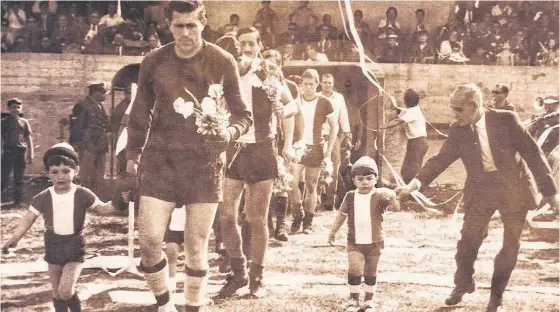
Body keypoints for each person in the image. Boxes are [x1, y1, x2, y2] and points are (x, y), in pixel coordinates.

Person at [124, 1, 252, 311]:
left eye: (191, 25)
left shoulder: (221, 60)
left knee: (196, 247)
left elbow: (243, 115)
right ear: (168, 25)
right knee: (149, 242)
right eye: (179, 26)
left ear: (203, 23)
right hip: (160, 162)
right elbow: (139, 112)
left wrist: (229, 134)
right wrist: (131, 156)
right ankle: (165, 304)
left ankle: (193, 307)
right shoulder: (154, 61)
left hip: (203, 164)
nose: (185, 33)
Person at [396, 83, 559, 312]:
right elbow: (441, 159)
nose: (454, 114)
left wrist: (552, 195)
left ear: (473, 106)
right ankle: (463, 283)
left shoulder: (507, 119)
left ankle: (496, 298)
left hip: (515, 189)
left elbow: (534, 155)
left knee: (510, 245)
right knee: (468, 240)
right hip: (481, 190)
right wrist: (413, 185)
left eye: (458, 109)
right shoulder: (457, 129)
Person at [217, 28, 296, 298]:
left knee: (256, 218)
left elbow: (291, 106)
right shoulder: (224, 72)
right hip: (233, 147)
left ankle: (257, 277)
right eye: (242, 44)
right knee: (227, 215)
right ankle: (237, 272)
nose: (246, 49)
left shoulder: (265, 70)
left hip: (262, 147)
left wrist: (281, 112)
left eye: (251, 44)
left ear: (259, 46)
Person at [2, 143, 116, 312]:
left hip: (74, 247)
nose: (60, 176)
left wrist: (121, 199)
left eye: (65, 171)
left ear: (75, 170)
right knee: (57, 292)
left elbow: (104, 209)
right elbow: (28, 218)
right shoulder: (43, 197)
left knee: (65, 290)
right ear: (47, 173)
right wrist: (15, 238)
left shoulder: (82, 194)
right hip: (53, 245)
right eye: (55, 172)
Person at [328, 156, 398, 312]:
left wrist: (393, 197)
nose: (365, 182)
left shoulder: (381, 195)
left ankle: (368, 301)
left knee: (370, 271)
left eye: (369, 178)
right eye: (360, 179)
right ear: (353, 180)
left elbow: (396, 207)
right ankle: (353, 300)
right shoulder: (350, 196)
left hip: (375, 241)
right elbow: (341, 215)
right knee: (354, 269)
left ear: (376, 179)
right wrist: (333, 231)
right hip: (355, 241)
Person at [290, 69, 337, 234]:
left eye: (311, 84)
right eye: (305, 84)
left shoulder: (325, 102)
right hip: (298, 147)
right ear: (301, 84)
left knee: (311, 186)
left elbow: (334, 127)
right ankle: (297, 215)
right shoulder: (296, 101)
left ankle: (308, 223)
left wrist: (329, 150)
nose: (308, 87)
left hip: (316, 148)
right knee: (292, 184)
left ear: (317, 84)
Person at [69, 83, 110, 195]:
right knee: (86, 174)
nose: (105, 95)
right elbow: (77, 127)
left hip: (100, 145)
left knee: (99, 174)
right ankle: (84, 198)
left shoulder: (100, 106)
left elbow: (106, 124)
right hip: (88, 145)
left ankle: (96, 198)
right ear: (95, 92)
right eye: (103, 92)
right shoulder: (82, 105)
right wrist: (77, 145)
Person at [380, 89, 428, 184]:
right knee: (409, 168)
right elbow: (403, 111)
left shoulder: (411, 113)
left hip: (417, 142)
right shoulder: (415, 109)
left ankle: (414, 190)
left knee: (412, 169)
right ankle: (412, 188)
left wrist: (382, 126)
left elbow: (397, 121)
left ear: (406, 102)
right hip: (418, 142)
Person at [319, 73, 352, 210]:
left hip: (333, 138)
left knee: (334, 168)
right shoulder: (316, 97)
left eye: (330, 83)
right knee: (318, 169)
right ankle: (317, 201)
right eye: (325, 82)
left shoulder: (338, 98)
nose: (327, 85)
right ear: (320, 83)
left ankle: (329, 202)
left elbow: (343, 117)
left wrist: (347, 135)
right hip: (318, 137)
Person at [1, 98, 34, 208]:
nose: (16, 109)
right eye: (13, 107)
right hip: (8, 152)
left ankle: (18, 201)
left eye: (18, 107)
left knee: (19, 177)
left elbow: (28, 138)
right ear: (9, 108)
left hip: (20, 152)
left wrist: (31, 154)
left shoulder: (24, 122)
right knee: (3, 176)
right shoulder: (3, 122)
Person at [165, 205, 186, 293]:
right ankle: (171, 282)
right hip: (174, 225)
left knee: (193, 256)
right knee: (171, 253)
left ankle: (190, 283)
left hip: (192, 224)